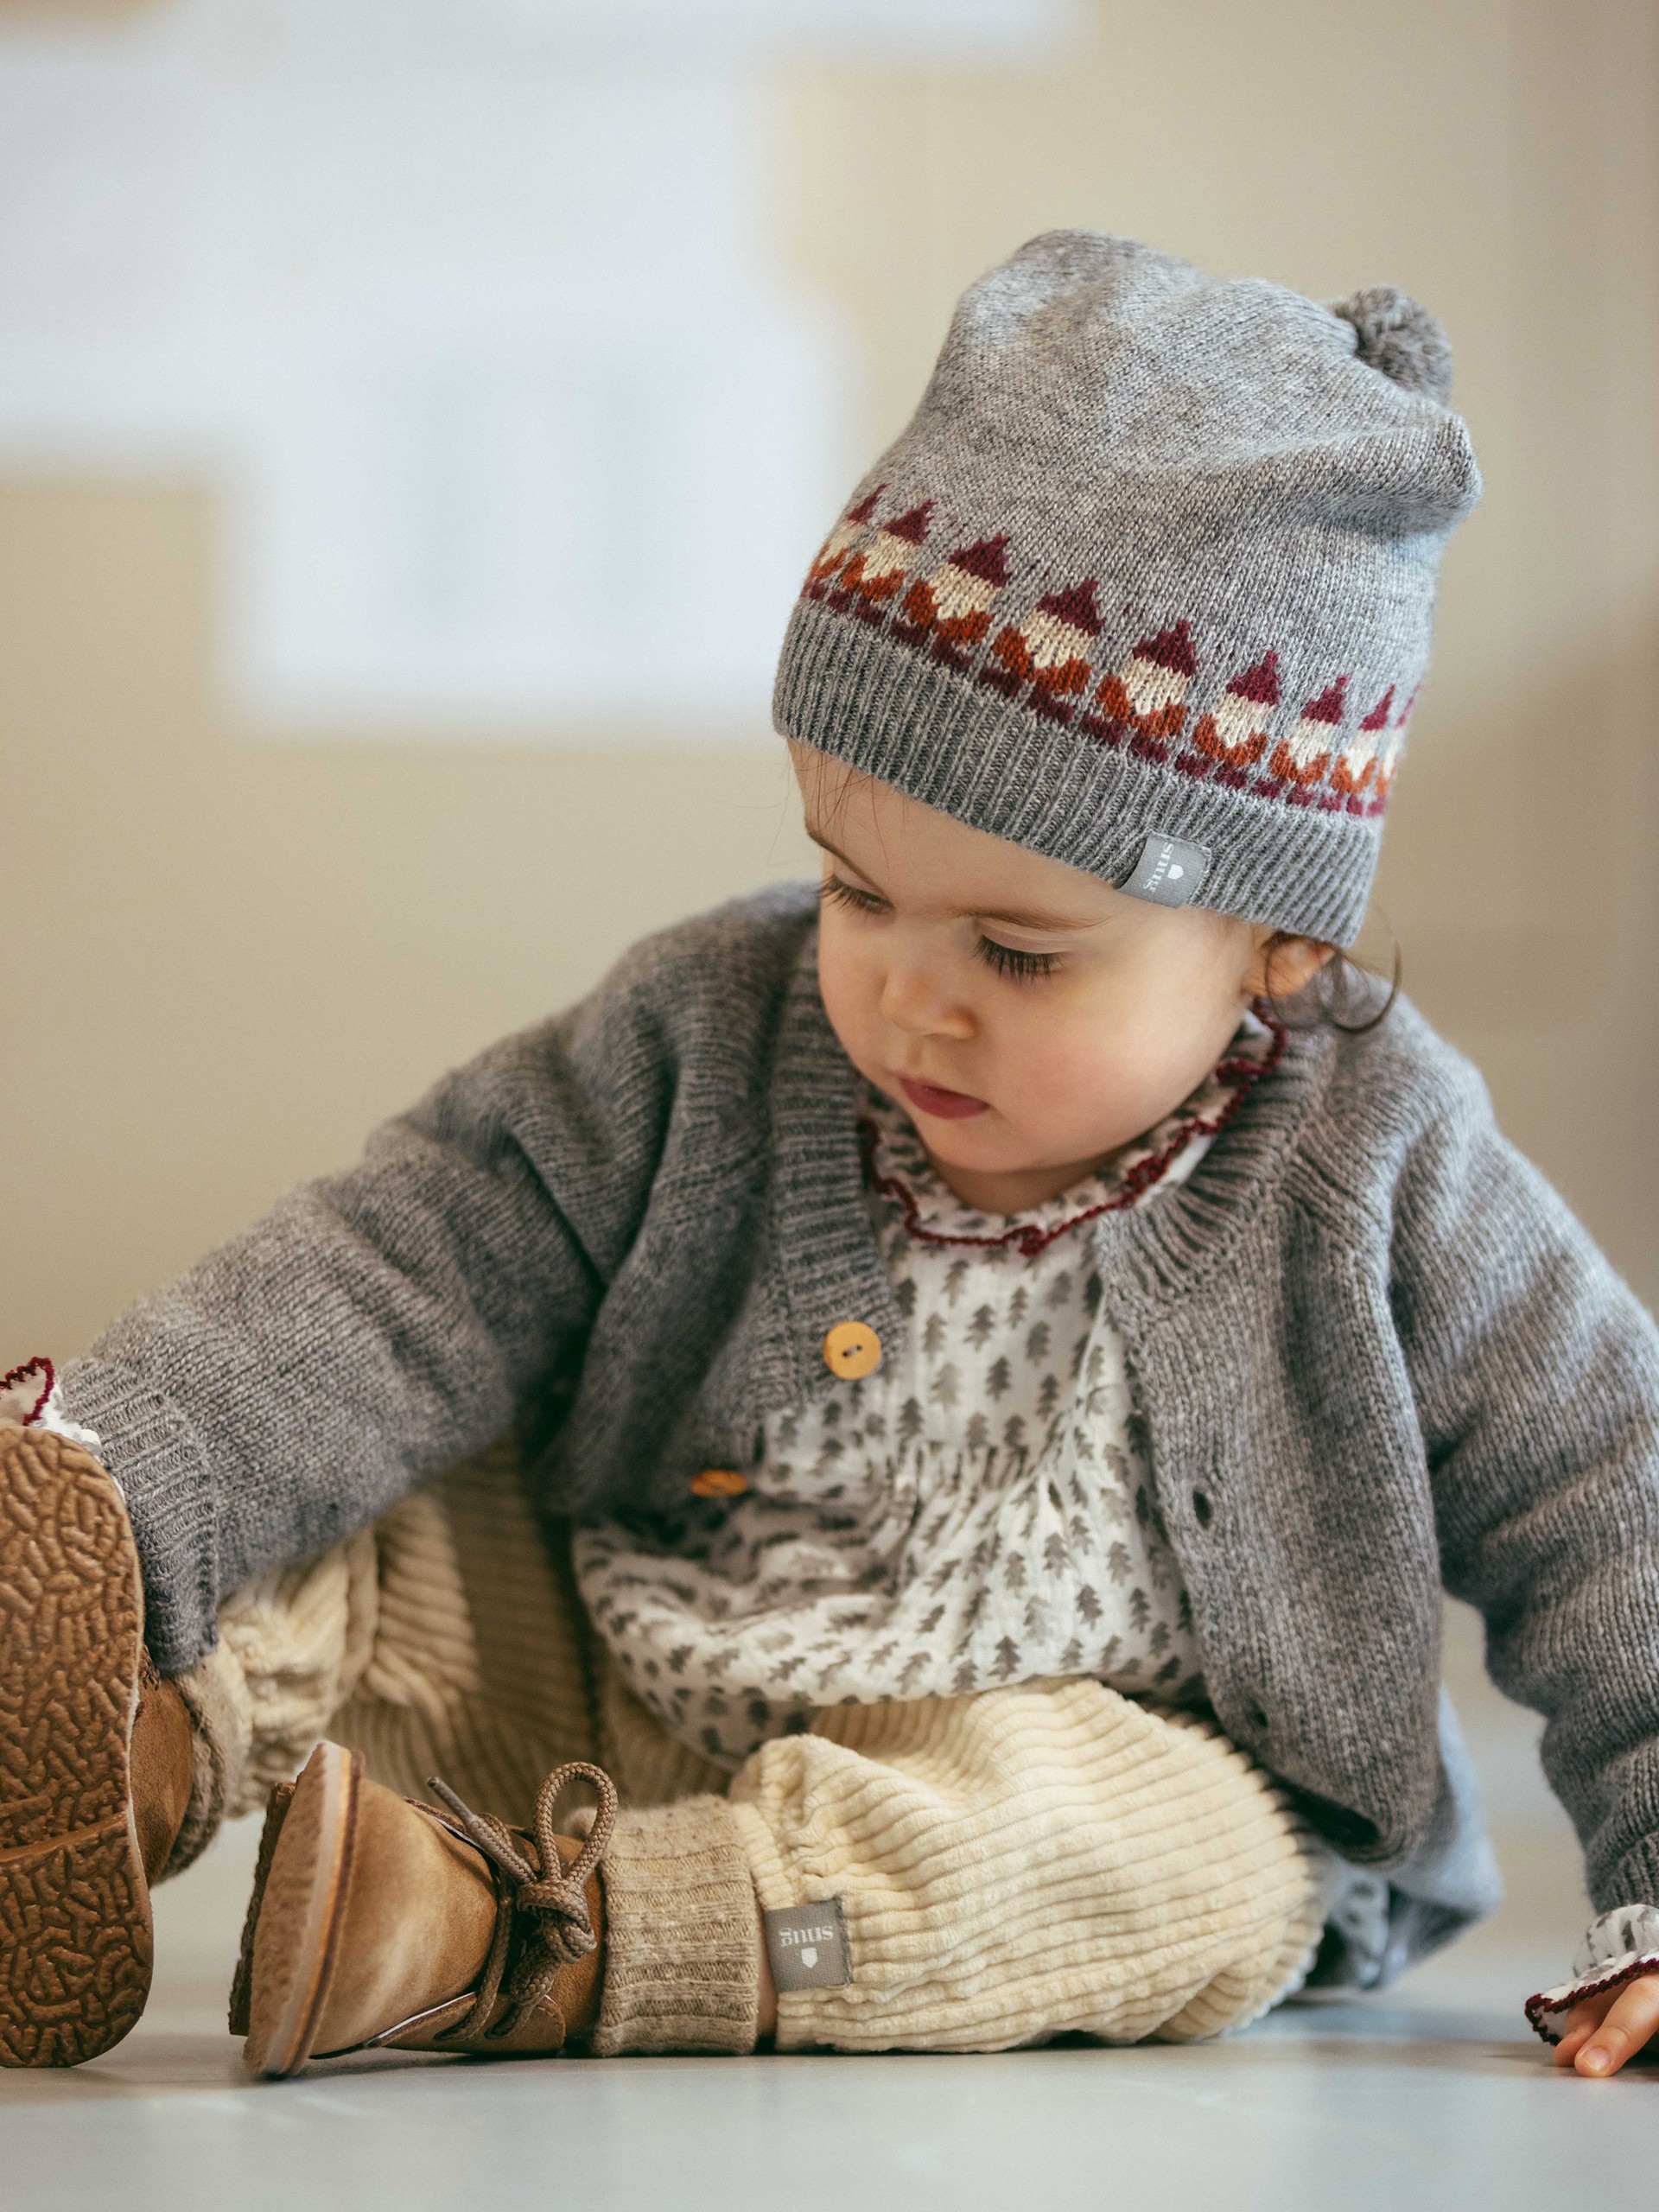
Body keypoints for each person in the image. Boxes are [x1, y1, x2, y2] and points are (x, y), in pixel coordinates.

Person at [4, 232, 1656, 2080]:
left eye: (1018, 953)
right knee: (373, 1472)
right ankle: (112, 1749)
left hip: (967, 1827)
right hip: (610, 1694)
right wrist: (115, 1471)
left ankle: (520, 1939)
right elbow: (407, 1261)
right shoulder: (713, 1028)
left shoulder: (1382, 1159)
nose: (907, 998)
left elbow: (1608, 1490)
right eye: (857, 891)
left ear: (1281, 942)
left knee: (1175, 1847)